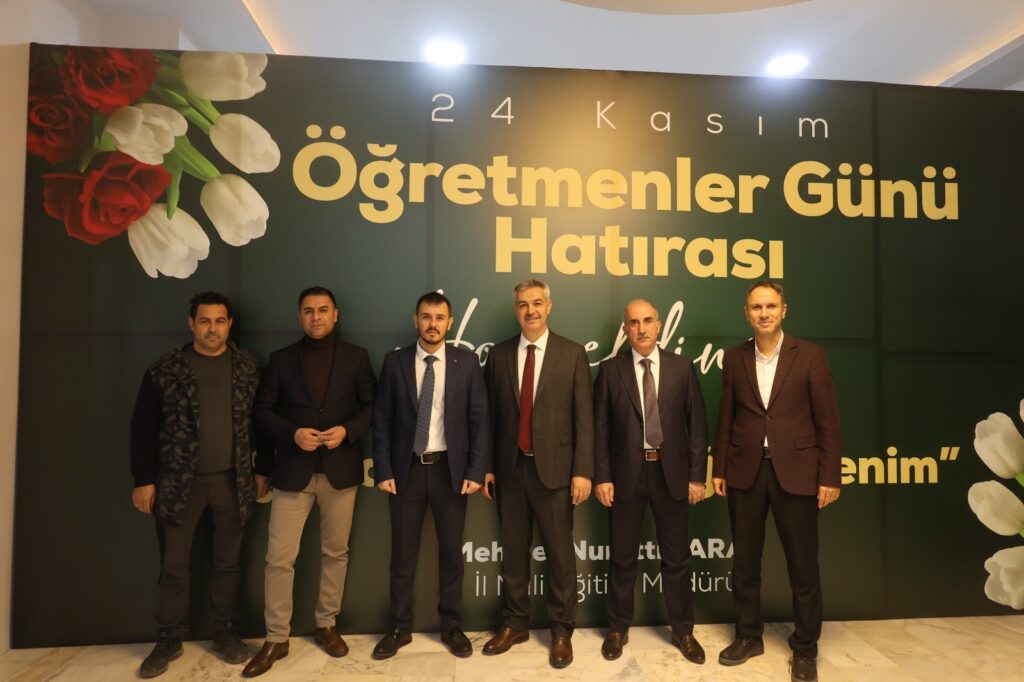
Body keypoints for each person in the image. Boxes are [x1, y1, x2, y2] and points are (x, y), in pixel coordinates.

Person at [711, 281, 842, 682]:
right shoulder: (734, 358)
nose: (764, 313)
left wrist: (829, 475)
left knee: (802, 566)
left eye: (771, 306)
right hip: (745, 471)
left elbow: (828, 422)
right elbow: (726, 416)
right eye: (756, 307)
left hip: (798, 473)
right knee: (745, 563)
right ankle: (748, 636)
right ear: (746, 313)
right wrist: (719, 468)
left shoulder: (811, 356)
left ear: (784, 310)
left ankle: (805, 647)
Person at [243, 286, 376, 677]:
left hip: (340, 470)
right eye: (308, 311)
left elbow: (373, 407)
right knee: (278, 558)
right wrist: (292, 434)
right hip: (292, 472)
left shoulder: (356, 357)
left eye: (322, 310)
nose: (316, 316)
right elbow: (262, 412)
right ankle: (276, 637)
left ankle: (326, 624)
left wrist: (347, 431)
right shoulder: (281, 360)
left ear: (335, 314)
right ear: (299, 316)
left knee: (336, 553)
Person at [130, 291, 262, 678]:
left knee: (228, 563)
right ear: (191, 324)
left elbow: (260, 423)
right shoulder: (165, 369)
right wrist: (143, 480)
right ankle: (169, 637)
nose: (212, 329)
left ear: (229, 325)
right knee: (174, 565)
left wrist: (262, 471)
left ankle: (225, 633)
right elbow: (142, 428)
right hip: (177, 486)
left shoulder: (248, 367)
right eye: (204, 321)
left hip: (232, 482)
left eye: (219, 321)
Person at [371, 291, 491, 659]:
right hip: (405, 471)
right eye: (426, 317)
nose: (432, 324)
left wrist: (475, 470)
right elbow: (382, 419)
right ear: (416, 320)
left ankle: (451, 626)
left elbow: (479, 421)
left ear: (450, 323)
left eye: (439, 318)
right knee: (402, 554)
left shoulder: (466, 363)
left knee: (452, 554)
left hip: (450, 473)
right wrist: (383, 468)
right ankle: (399, 626)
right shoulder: (395, 362)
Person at [481, 278, 593, 669]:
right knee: (513, 552)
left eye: (537, 303)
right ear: (516, 310)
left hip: (557, 472)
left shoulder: (572, 353)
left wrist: (583, 471)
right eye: (523, 305)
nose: (530, 310)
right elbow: (490, 418)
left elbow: (584, 420)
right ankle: (515, 624)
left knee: (560, 556)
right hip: (510, 469)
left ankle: (562, 630)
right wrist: (488, 466)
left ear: (549, 306)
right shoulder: (498, 355)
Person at [593, 299, 708, 664]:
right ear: (625, 329)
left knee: (677, 559)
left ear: (659, 325)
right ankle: (617, 628)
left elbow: (697, 427)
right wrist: (602, 477)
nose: (641, 328)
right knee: (622, 558)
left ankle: (683, 630)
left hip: (671, 475)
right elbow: (600, 430)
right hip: (625, 476)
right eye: (633, 322)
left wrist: (696, 477)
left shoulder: (682, 368)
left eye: (647, 321)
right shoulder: (610, 370)